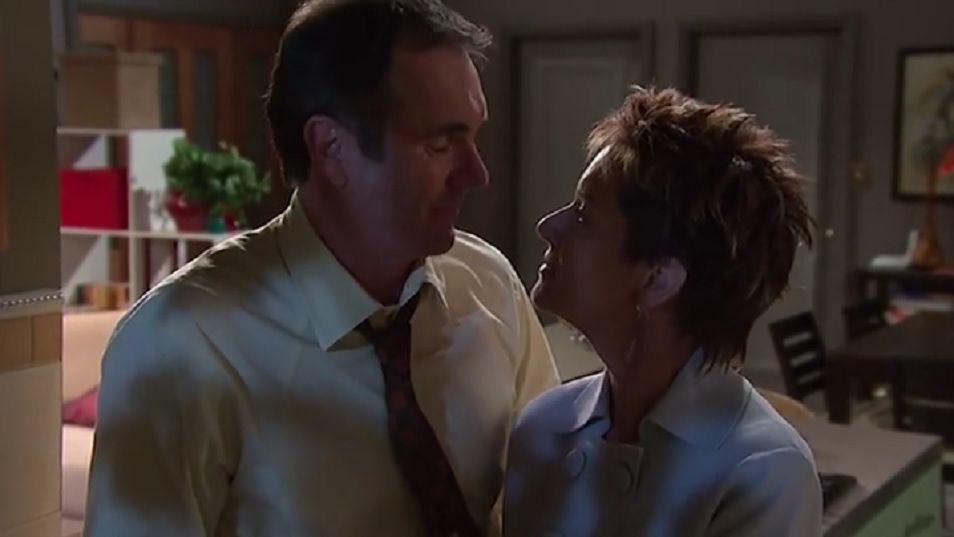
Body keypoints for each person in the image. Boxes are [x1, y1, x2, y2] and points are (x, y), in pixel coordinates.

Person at [84, 1, 558, 536]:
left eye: (474, 136)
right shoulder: (184, 343)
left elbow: (555, 495)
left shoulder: (488, 286)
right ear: (331, 148)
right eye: (441, 144)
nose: (477, 173)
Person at [504, 87, 821, 537]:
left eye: (584, 216)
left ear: (658, 279)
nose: (548, 226)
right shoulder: (542, 428)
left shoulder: (763, 473)